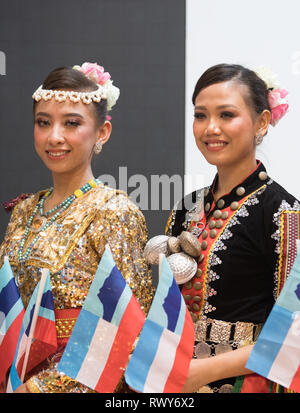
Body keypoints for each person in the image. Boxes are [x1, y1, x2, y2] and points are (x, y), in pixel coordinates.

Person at [0, 62, 154, 393]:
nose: (55, 136)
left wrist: (41, 388)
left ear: (102, 132)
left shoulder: (114, 212)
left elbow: (129, 329)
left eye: (71, 123)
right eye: (43, 123)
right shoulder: (25, 211)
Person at [165, 64, 300, 393]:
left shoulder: (284, 214)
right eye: (200, 115)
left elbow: (295, 330)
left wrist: (202, 371)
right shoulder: (186, 208)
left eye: (226, 115)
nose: (211, 128)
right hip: (177, 381)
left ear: (262, 122)